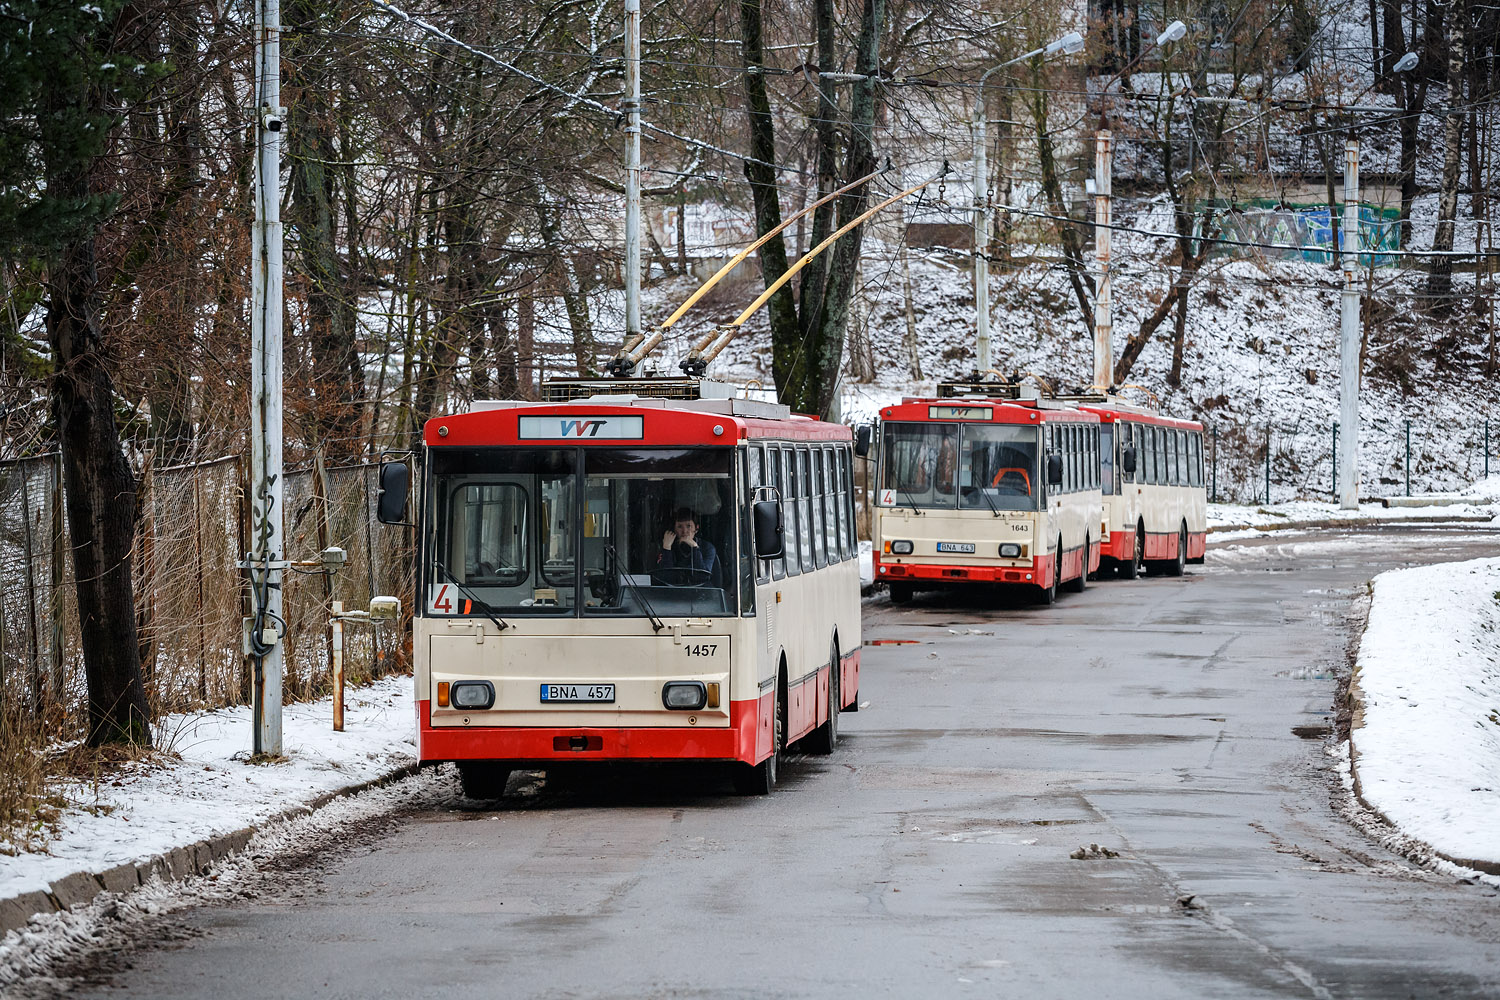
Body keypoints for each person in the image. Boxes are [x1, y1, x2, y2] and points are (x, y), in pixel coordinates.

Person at [656, 508, 722, 588]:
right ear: (674, 529)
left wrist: (695, 548)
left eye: (688, 526)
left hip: (702, 594)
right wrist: (666, 548)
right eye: (680, 526)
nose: (684, 531)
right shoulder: (670, 546)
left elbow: (702, 577)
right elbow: (665, 578)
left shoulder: (707, 548)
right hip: (674, 594)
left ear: (696, 528)